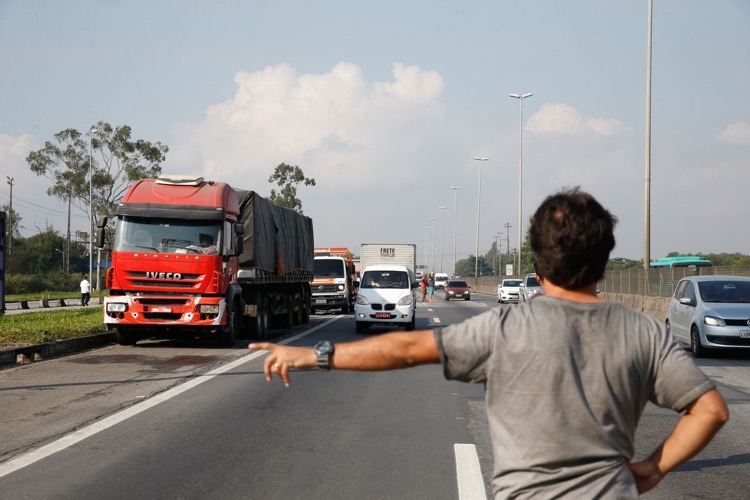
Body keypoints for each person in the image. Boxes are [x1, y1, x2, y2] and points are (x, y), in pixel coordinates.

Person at [249, 187, 728, 498]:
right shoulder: (644, 332)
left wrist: (315, 354)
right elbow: (710, 409)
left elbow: (404, 349)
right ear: (605, 261)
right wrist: (652, 468)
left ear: (537, 264)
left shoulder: (506, 328)